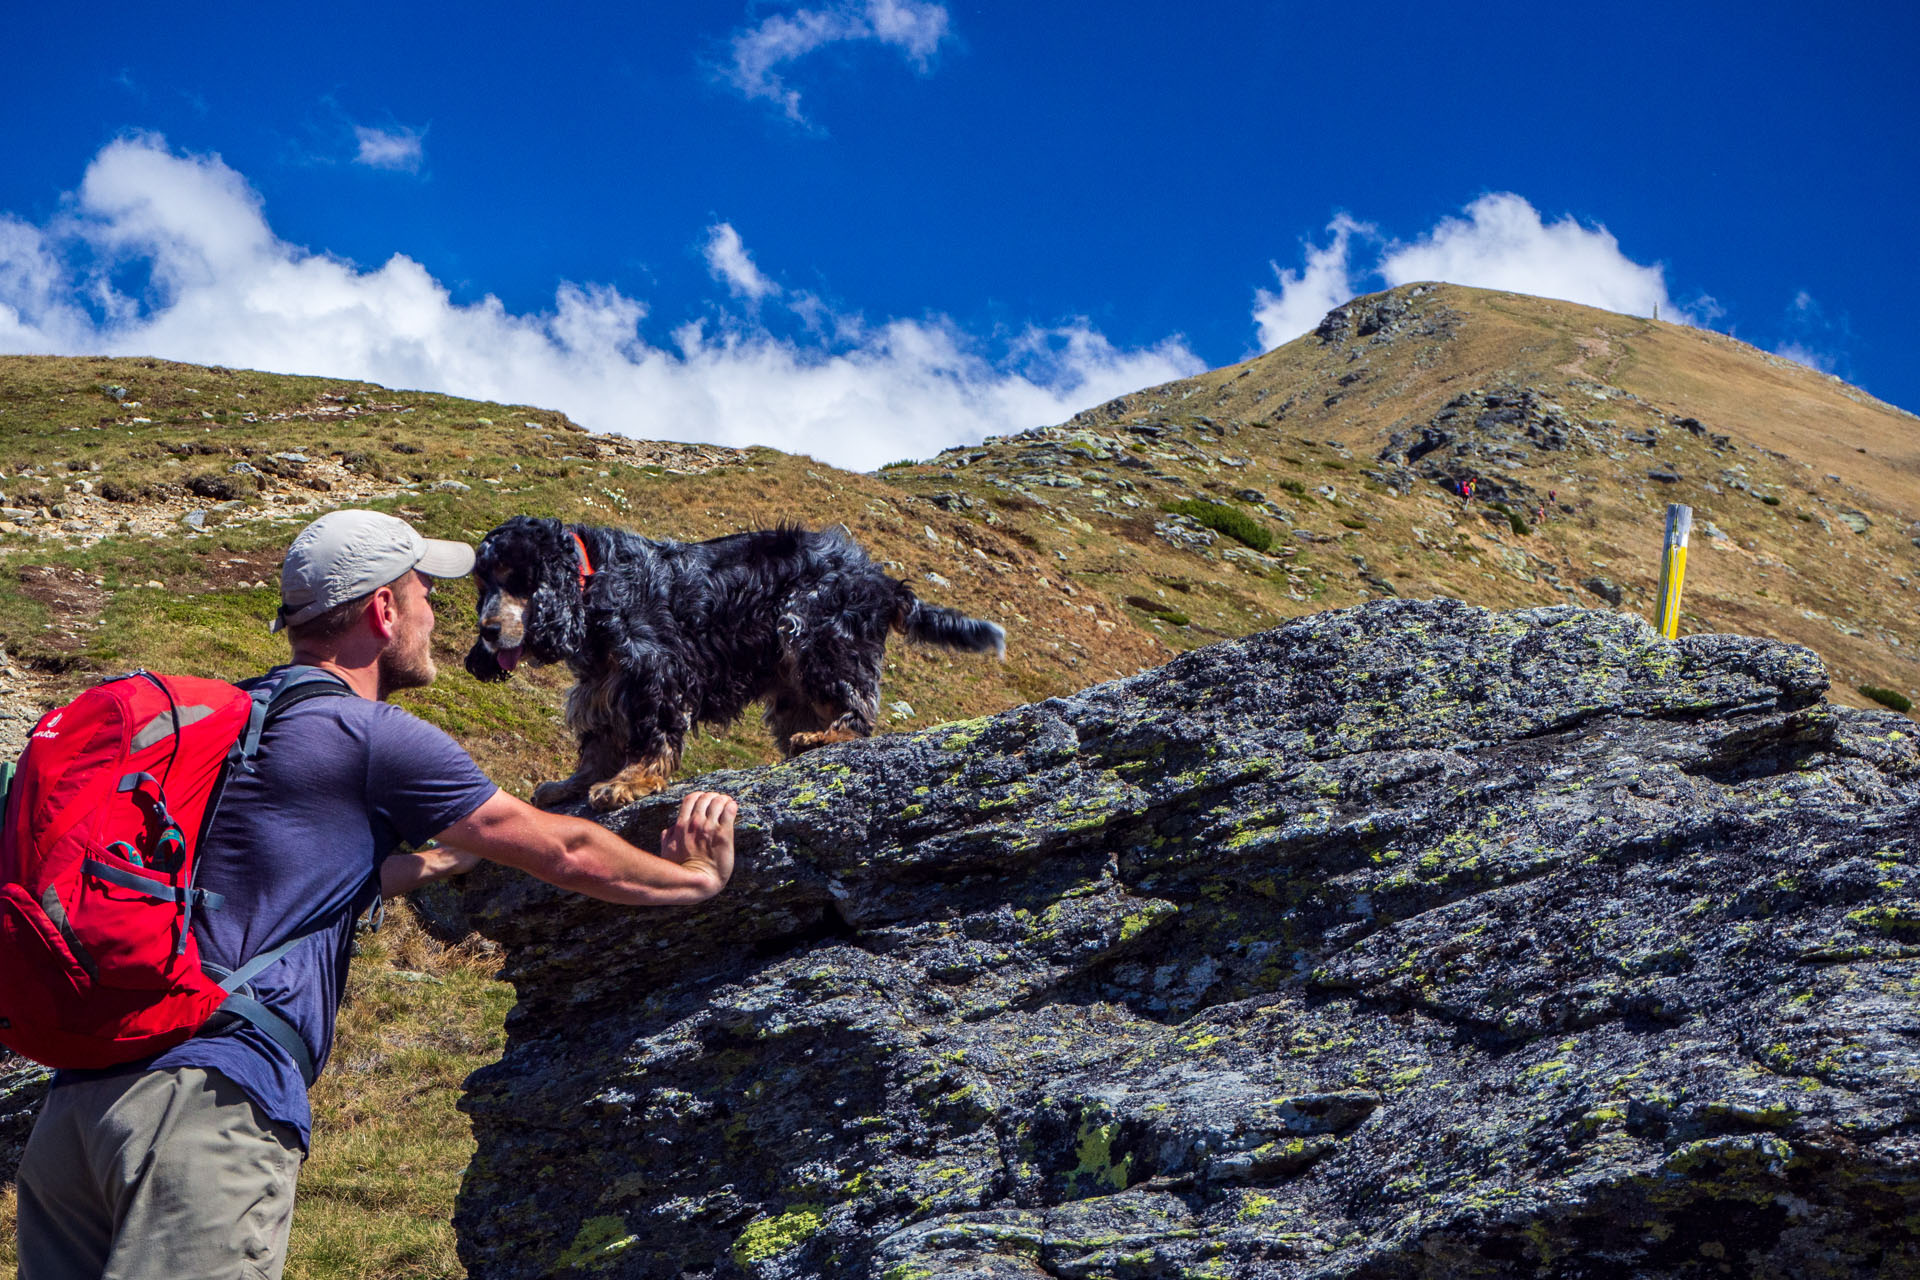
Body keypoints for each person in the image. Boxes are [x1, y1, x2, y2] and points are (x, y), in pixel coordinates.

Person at [14, 509, 739, 1280]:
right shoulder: (371, 735)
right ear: (383, 610)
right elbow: (562, 846)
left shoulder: (229, 722)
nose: (437, 610)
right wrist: (692, 878)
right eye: (425, 589)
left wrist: (431, 864)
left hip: (75, 1116)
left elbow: (274, 877)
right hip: (204, 1104)